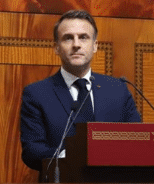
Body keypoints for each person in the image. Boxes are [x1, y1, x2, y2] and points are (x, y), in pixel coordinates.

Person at [19, 9, 141, 171]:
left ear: (95, 46)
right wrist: (68, 156)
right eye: (68, 38)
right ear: (56, 47)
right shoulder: (37, 94)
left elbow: (139, 142)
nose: (76, 44)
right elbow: (32, 151)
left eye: (83, 37)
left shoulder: (118, 90)